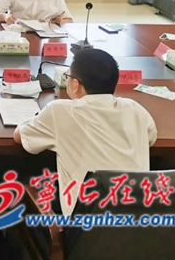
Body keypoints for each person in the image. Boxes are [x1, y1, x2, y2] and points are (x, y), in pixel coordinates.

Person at [13, 49, 157, 215]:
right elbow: (151, 137)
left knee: (23, 178)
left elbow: (20, 136)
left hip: (84, 226)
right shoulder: (136, 110)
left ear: (75, 85)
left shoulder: (60, 111)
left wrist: (33, 119)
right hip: (140, 222)